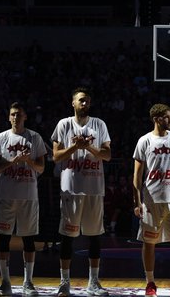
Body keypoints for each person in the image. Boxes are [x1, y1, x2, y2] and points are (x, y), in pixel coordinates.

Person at [51, 87, 111, 297]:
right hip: (71, 189)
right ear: (73, 103)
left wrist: (89, 147)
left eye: (87, 101)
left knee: (94, 237)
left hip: (94, 188)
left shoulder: (99, 124)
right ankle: (64, 283)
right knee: (67, 237)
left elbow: (107, 155)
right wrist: (75, 148)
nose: (84, 104)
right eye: (81, 101)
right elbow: (56, 156)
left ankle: (93, 282)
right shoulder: (64, 124)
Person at [132, 103, 170, 297]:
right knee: (149, 243)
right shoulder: (144, 141)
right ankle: (150, 283)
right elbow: (137, 175)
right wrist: (137, 201)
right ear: (157, 119)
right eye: (167, 117)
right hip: (151, 200)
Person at [0, 102, 46, 296]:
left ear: (25, 117)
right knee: (3, 240)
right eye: (12, 114)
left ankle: (27, 282)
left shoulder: (34, 137)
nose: (15, 117)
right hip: (6, 196)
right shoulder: (1, 138)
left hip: (28, 196)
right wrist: (12, 161)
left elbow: (41, 168)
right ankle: (5, 282)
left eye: (18, 115)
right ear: (8, 117)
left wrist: (28, 160)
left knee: (28, 241)